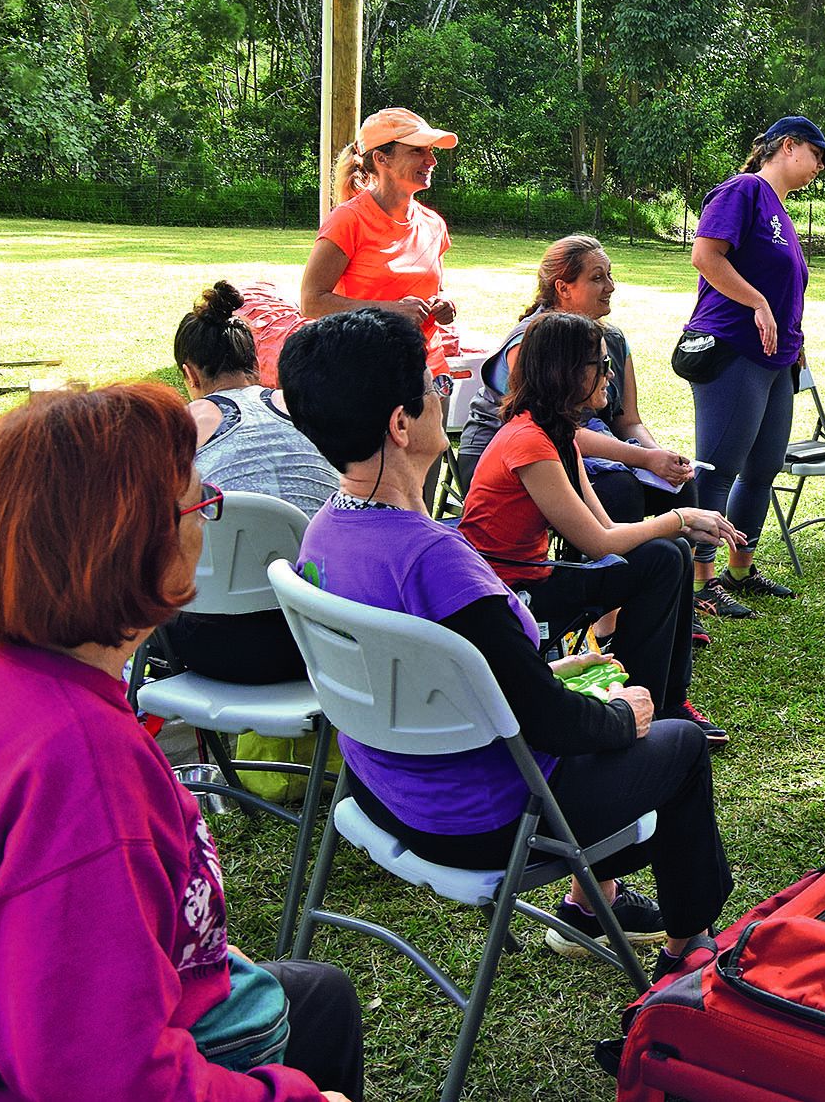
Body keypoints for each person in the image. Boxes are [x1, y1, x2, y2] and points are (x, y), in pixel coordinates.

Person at [0, 384, 364, 1101]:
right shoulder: (79, 764)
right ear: (137, 545)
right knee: (318, 1015)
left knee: (320, 993)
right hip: (0, 1070)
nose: (205, 518)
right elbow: (103, 1080)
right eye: (198, 502)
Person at [278, 308, 732, 973]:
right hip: (482, 818)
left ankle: (592, 901)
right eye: (432, 386)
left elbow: (454, 670)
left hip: (383, 792)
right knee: (678, 742)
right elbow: (548, 720)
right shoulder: (437, 561)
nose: (444, 395)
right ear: (400, 424)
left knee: (606, 697)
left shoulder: (321, 533)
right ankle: (687, 953)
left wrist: (555, 669)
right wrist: (622, 711)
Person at [458, 310, 738, 750]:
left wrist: (675, 528)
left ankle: (661, 701)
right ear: (566, 372)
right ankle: (646, 706)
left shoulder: (555, 432)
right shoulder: (529, 441)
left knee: (668, 555)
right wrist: (681, 520)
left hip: (531, 576)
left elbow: (605, 528)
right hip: (510, 592)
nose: (610, 376)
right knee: (665, 556)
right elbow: (597, 543)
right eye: (601, 365)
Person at [681, 115, 825, 619]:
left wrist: (793, 339)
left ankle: (741, 570)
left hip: (777, 359)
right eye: (816, 154)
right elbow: (706, 256)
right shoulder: (744, 190)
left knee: (763, 467)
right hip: (733, 348)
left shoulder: (783, 211)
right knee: (719, 464)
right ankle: (700, 579)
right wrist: (757, 303)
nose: (820, 166)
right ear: (788, 146)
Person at [162, 279, 340, 684]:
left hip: (213, 645)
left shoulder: (181, 430)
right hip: (324, 639)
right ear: (256, 363)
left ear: (189, 373)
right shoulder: (308, 410)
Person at [458, 236, 696, 524]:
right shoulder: (531, 343)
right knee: (620, 490)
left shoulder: (613, 341)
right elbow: (547, 429)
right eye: (597, 278)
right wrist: (643, 459)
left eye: (610, 275)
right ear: (563, 288)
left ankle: (693, 568)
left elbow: (628, 421)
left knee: (680, 488)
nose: (610, 286)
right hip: (509, 458)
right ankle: (615, 565)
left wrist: (660, 457)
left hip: (578, 448)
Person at [301, 106, 460, 376]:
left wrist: (444, 304)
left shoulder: (434, 224)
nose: (431, 161)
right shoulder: (348, 220)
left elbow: (436, 289)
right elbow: (311, 302)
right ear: (382, 158)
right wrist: (391, 311)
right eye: (417, 150)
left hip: (426, 370)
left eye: (431, 151)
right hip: (363, 371)